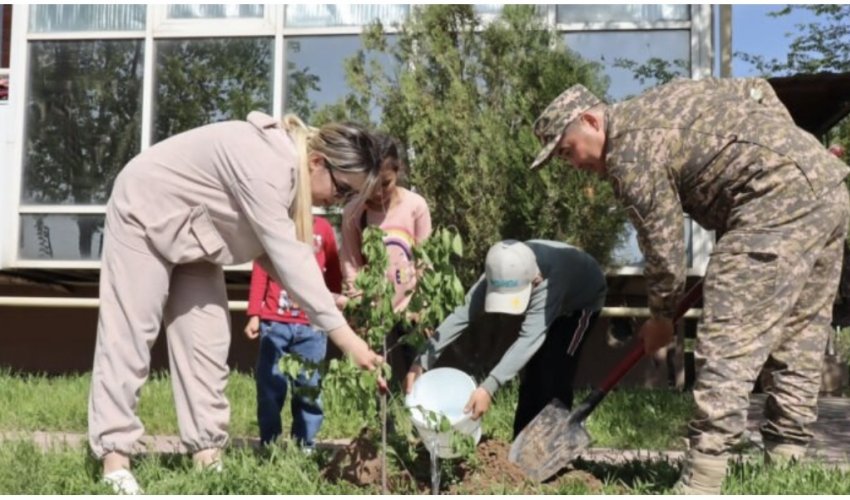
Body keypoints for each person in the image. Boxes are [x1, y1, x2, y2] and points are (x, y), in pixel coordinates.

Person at [531, 79, 850, 494]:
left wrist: (661, 317)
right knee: (799, 335)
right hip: (826, 189)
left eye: (566, 150)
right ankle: (784, 467)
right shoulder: (669, 98)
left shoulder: (628, 151)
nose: (571, 164)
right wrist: (790, 151)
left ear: (591, 121)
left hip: (771, 203)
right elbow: (756, 89)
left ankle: (701, 481)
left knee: (727, 340)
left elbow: (663, 249)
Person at [88, 112, 385, 494]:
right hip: (144, 212)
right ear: (317, 162)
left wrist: (325, 299)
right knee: (130, 336)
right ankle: (115, 460)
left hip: (196, 238)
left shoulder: (292, 180)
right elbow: (288, 254)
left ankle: (207, 456)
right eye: (343, 189)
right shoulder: (269, 166)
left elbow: (270, 254)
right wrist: (347, 340)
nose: (336, 201)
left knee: (207, 343)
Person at [403, 240, 607, 438]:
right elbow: (461, 314)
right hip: (555, 291)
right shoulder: (500, 269)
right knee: (531, 374)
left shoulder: (549, 279)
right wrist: (422, 360)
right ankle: (519, 446)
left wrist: (488, 388)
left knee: (555, 371)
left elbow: (528, 339)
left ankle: (552, 442)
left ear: (534, 280)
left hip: (580, 306)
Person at [244, 215, 342, 451]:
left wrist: (334, 308)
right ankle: (270, 444)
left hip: (312, 325)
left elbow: (333, 273)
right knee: (270, 388)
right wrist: (255, 313)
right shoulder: (277, 224)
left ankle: (305, 446)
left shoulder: (324, 229)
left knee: (309, 390)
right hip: (275, 324)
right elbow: (261, 269)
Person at [340, 134, 432, 380]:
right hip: (373, 311)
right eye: (370, 185)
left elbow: (425, 260)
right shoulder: (353, 212)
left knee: (418, 376)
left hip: (411, 310)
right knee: (379, 378)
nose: (378, 192)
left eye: (385, 183)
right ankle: (382, 420)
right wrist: (359, 308)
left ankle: (417, 419)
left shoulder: (415, 206)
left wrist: (421, 305)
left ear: (397, 171)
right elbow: (351, 264)